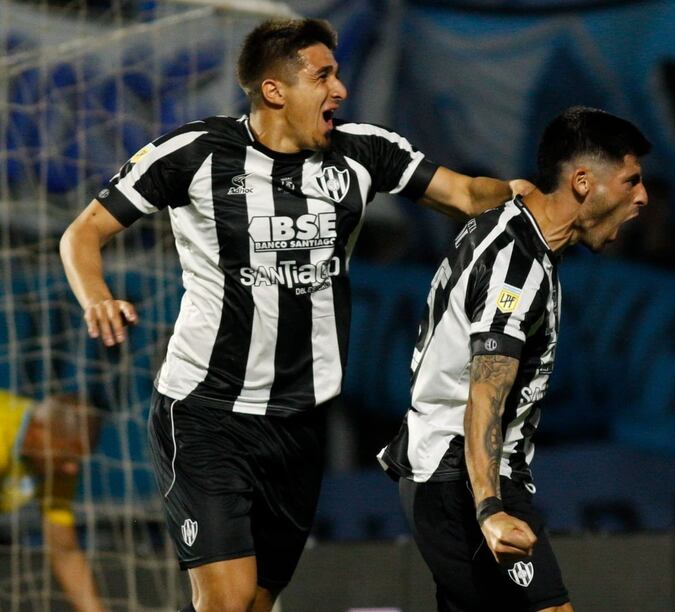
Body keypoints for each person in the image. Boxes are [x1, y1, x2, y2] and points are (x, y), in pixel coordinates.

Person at [59, 17, 532, 612]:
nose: (339, 90)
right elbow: (82, 234)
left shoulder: (364, 152)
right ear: (274, 90)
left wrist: (532, 196)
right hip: (207, 413)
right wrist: (95, 295)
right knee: (227, 601)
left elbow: (465, 195)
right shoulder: (196, 152)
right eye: (323, 75)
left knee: (255, 604)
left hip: (300, 423)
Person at [378, 106, 651, 612]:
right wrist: (489, 508)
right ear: (584, 181)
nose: (642, 197)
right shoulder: (517, 269)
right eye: (631, 180)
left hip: (447, 472)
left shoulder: (513, 220)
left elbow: (492, 192)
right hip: (461, 476)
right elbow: (485, 394)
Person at [0, 391, 104, 612]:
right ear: (37, 430)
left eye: (77, 461)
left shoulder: (57, 467)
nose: (72, 469)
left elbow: (64, 551)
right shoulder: (3, 432)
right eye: (67, 457)